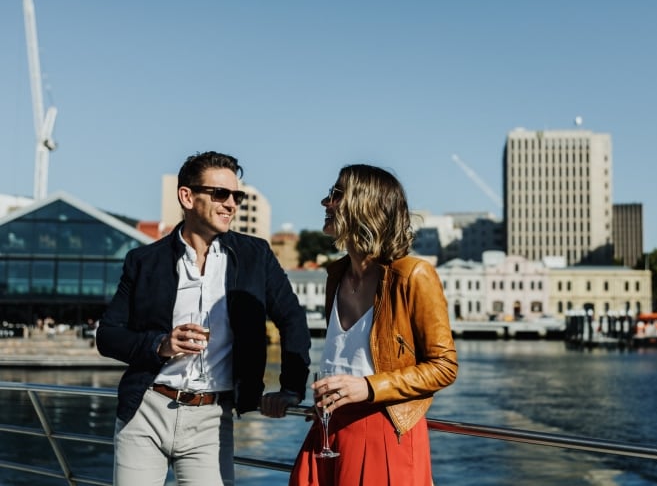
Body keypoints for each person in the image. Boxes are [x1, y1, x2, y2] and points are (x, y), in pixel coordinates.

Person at [96, 151, 311, 486]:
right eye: (220, 194)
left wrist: (292, 388)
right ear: (187, 196)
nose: (231, 204)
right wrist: (161, 344)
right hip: (145, 411)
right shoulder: (143, 261)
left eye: (237, 196)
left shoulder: (256, 255)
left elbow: (293, 318)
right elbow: (108, 335)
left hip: (212, 418)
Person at [289, 164, 459, 486]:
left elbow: (444, 366)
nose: (325, 202)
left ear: (364, 206)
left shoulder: (413, 275)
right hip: (327, 426)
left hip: (383, 429)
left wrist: (367, 386)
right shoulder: (335, 275)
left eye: (336, 195)